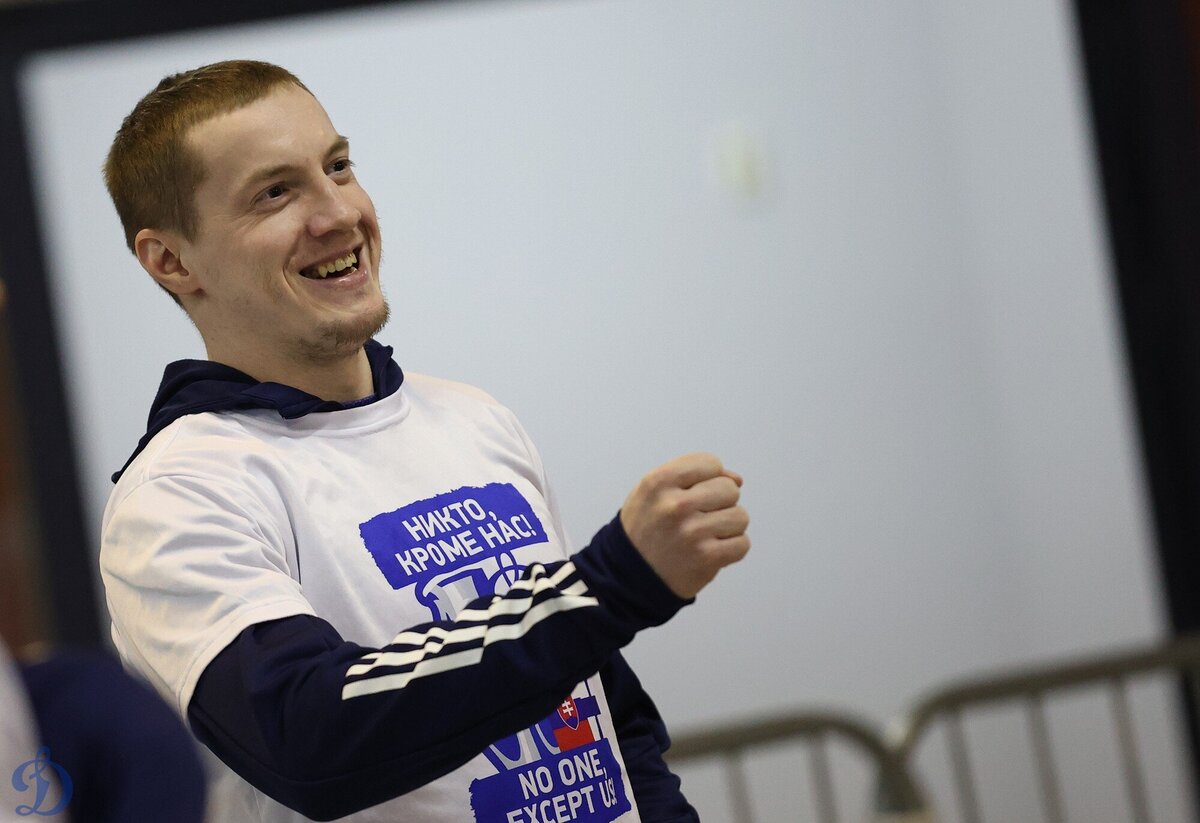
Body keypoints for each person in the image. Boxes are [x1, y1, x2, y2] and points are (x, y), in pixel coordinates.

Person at [99, 60, 750, 823]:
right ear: (172, 260)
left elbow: (604, 707)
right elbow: (310, 737)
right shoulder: (178, 492)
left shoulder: (474, 419)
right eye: (275, 192)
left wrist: (596, 601)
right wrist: (608, 584)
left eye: (338, 166)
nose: (338, 212)